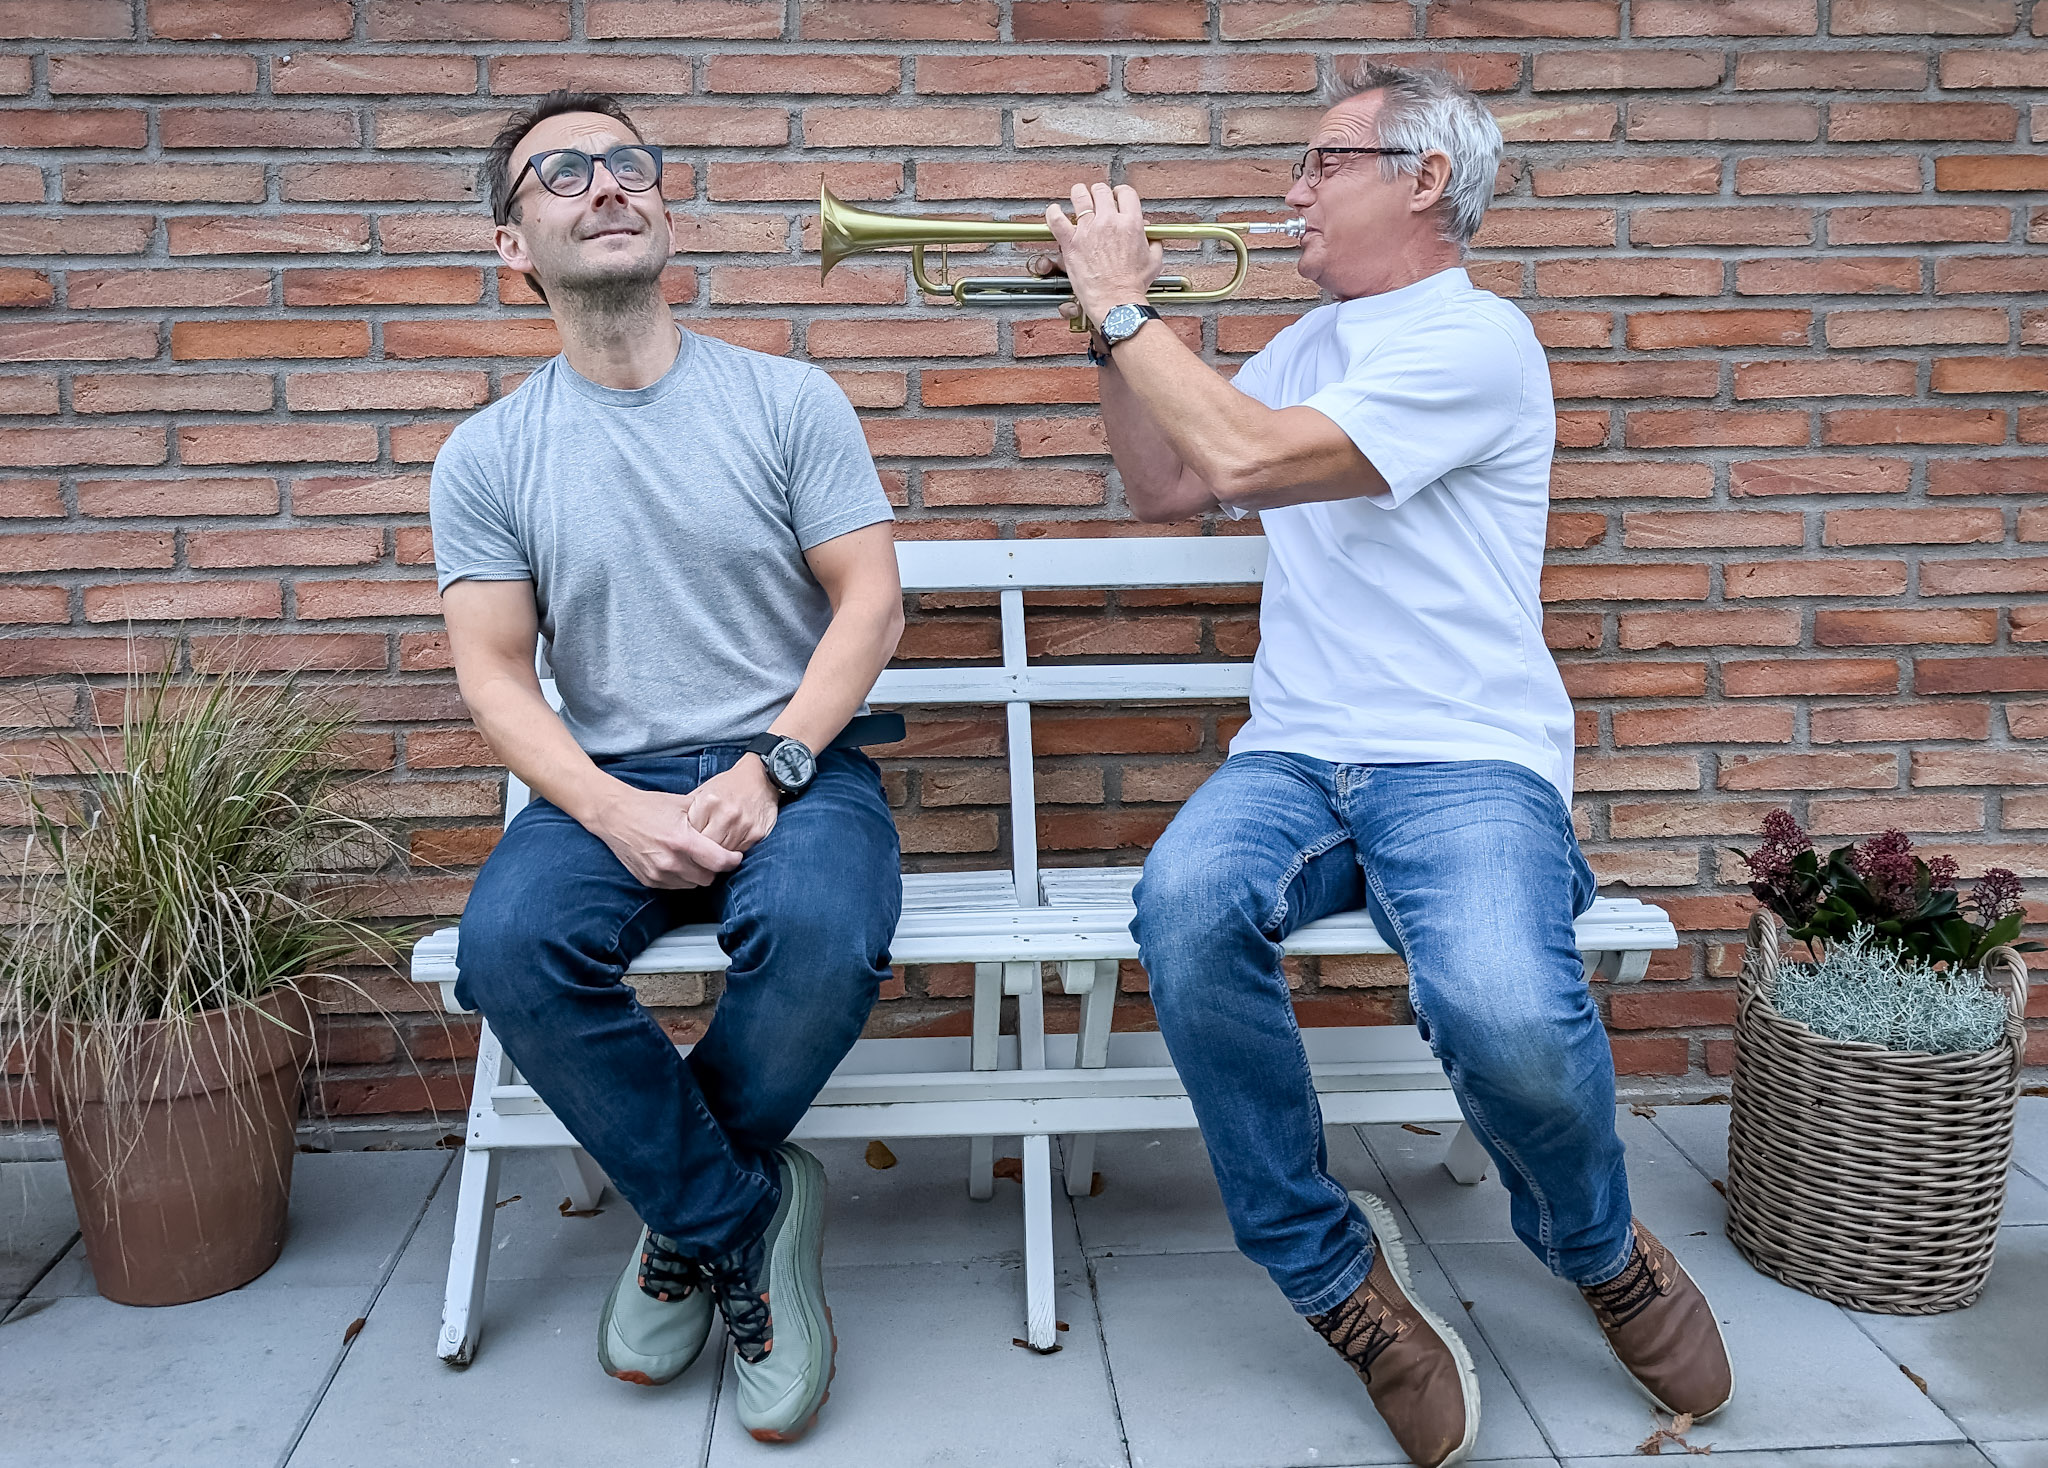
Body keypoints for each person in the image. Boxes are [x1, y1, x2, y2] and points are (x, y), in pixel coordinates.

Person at [1040, 62, 1733, 1468]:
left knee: (1504, 1011)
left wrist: (1130, 303)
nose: (1291, 190)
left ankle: (1597, 1245)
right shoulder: (1307, 342)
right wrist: (1104, 337)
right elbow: (1173, 486)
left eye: (1321, 161)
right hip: (1297, 754)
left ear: (1423, 178)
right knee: (1179, 908)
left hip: (1463, 756)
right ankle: (1335, 1280)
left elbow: (1236, 458)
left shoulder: (1476, 340)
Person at [430, 90, 904, 1444]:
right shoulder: (489, 456)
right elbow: (496, 679)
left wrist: (775, 764)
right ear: (513, 245)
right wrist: (612, 809)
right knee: (510, 948)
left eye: (627, 164)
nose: (604, 185)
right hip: (606, 781)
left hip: (795, 767)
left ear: (666, 208)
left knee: (820, 928)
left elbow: (868, 603)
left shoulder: (784, 399)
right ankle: (742, 1215)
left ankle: (683, 1220)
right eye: (561, 173)